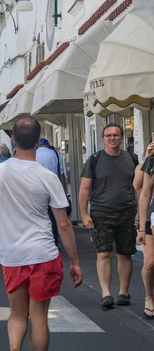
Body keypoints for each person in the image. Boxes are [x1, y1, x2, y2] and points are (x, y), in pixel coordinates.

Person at [0, 117, 82, 351]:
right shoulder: (48, 177)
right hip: (43, 254)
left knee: (17, 314)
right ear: (38, 140)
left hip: (12, 255)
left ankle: (14, 350)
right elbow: (64, 225)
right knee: (39, 317)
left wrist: (2, 227)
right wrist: (75, 262)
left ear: (13, 139)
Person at [79, 123, 138, 309]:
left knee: (125, 253)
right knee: (103, 253)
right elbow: (84, 188)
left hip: (127, 212)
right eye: (108, 136)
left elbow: (138, 188)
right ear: (103, 139)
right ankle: (106, 293)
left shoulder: (132, 158)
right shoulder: (95, 160)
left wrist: (138, 212)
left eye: (116, 135)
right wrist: (84, 214)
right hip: (101, 212)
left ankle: (123, 292)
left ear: (121, 137)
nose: (112, 138)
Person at [36, 138, 68, 248]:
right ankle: (54, 241)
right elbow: (62, 172)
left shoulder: (33, 154)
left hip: (37, 189)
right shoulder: (55, 153)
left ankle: (42, 241)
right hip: (54, 188)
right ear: (48, 145)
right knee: (54, 216)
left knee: (40, 215)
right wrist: (64, 191)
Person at [138, 140, 154, 318]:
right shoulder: (152, 160)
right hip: (152, 216)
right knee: (150, 263)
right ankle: (149, 296)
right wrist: (141, 227)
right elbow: (145, 193)